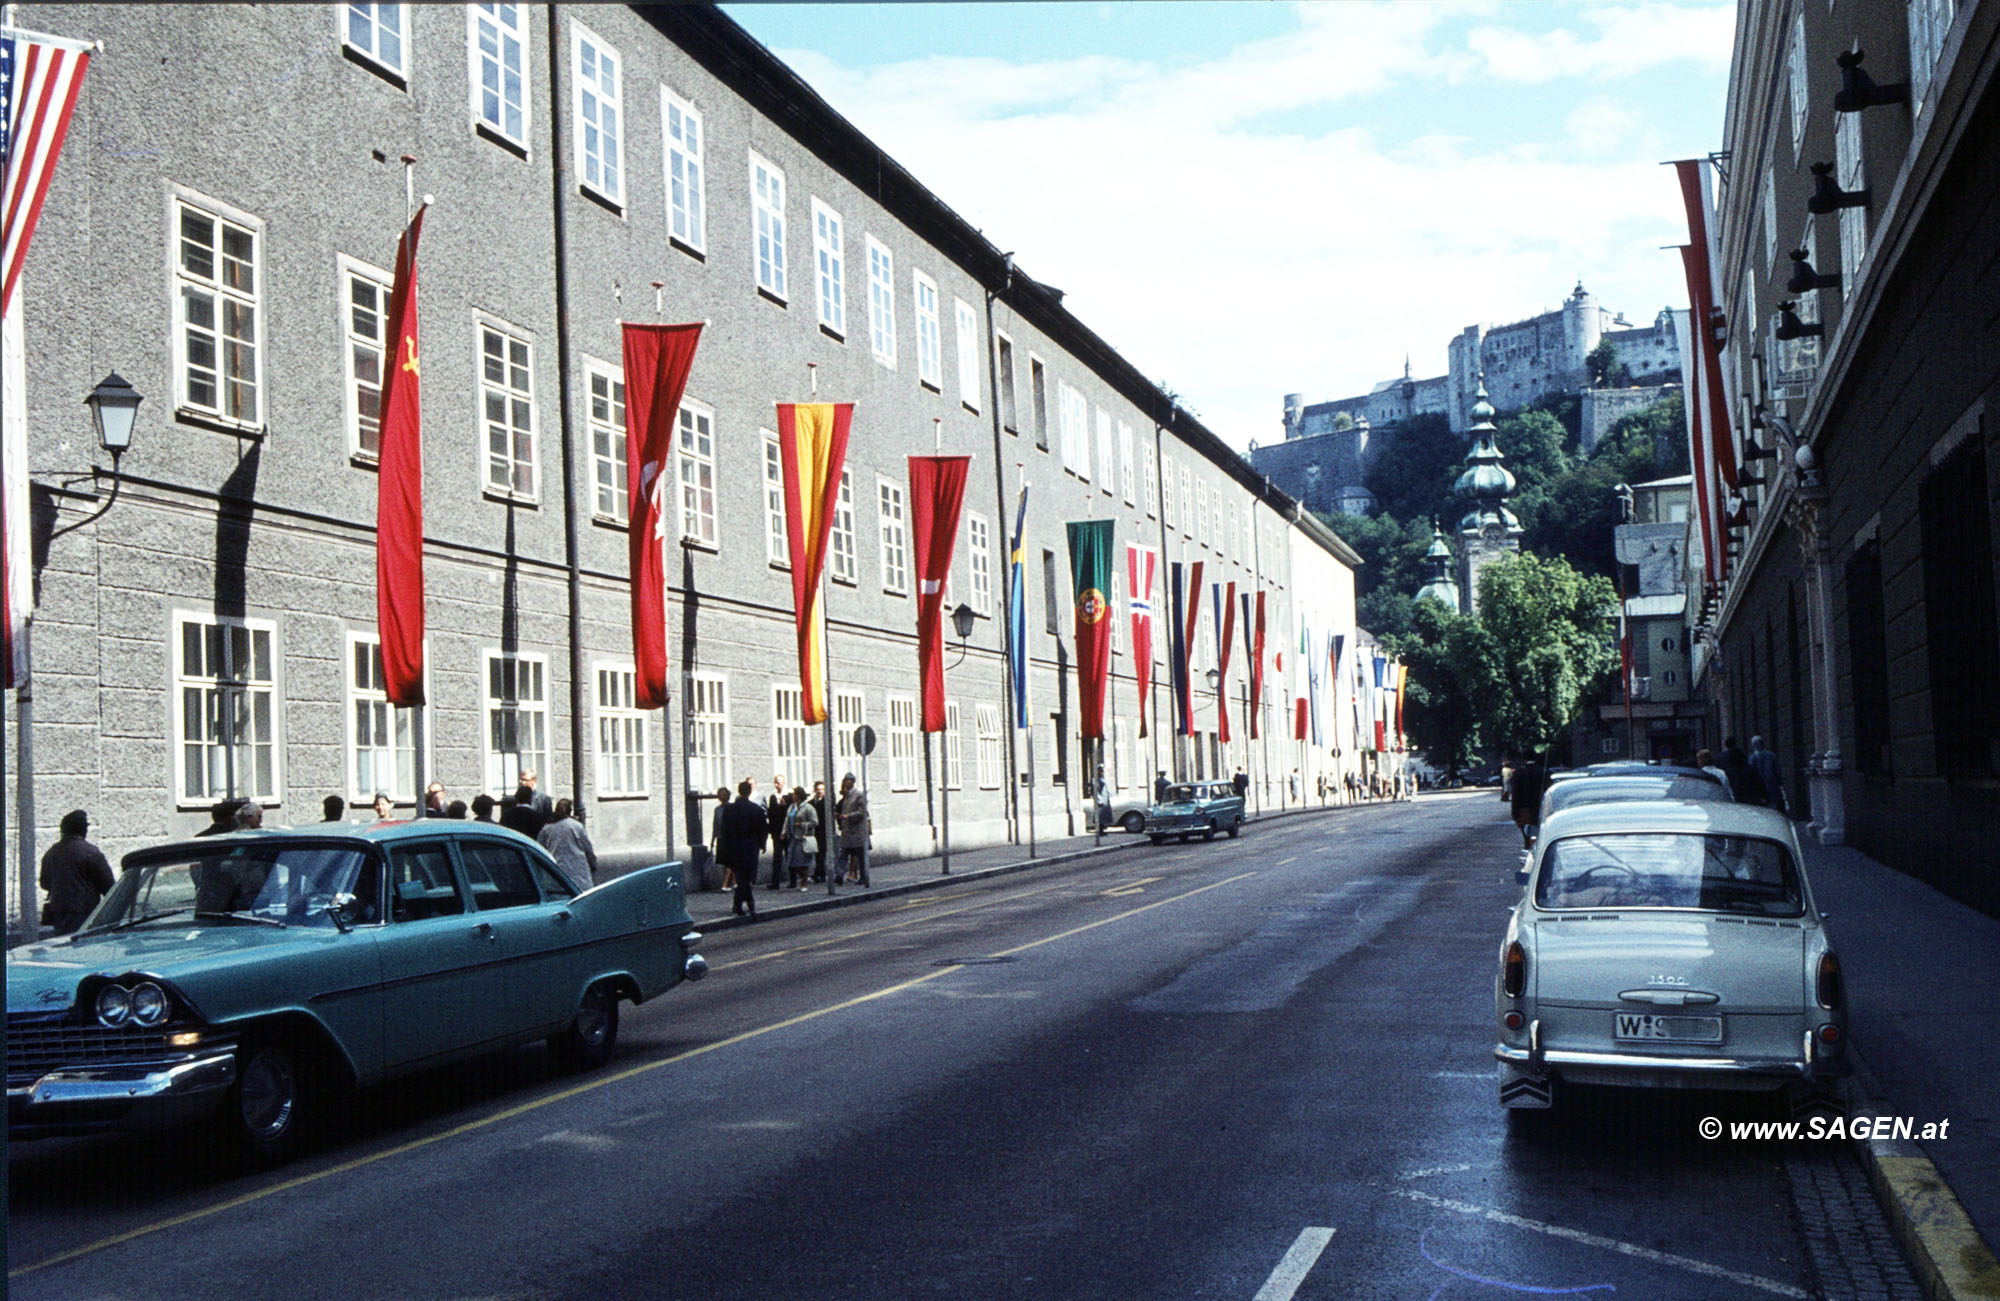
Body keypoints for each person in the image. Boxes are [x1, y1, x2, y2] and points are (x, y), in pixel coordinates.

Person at [40, 810, 113, 935]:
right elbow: (109, 887)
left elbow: (44, 883)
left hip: (59, 914)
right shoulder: (91, 852)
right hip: (85, 913)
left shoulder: (51, 853)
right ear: (83, 830)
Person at [719, 779, 768, 919]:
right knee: (745, 878)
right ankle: (744, 904)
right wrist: (762, 845)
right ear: (749, 792)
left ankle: (740, 904)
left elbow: (724, 830)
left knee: (741, 877)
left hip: (734, 848)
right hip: (750, 848)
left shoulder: (729, 809)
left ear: (739, 791)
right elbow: (763, 829)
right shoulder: (756, 809)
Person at [538, 798, 598, 894]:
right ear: (570, 811)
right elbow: (587, 848)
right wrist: (593, 864)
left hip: (556, 869)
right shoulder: (577, 826)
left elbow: (539, 848)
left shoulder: (547, 828)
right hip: (577, 869)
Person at [835, 772, 870, 886]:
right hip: (847, 832)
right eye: (845, 780)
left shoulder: (859, 795)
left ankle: (864, 877)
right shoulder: (847, 796)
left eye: (849, 780)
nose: (847, 782)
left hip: (857, 832)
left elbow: (862, 812)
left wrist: (849, 816)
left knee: (861, 856)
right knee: (843, 855)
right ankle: (839, 876)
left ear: (853, 782)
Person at [1509, 751, 1547, 846]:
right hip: (1541, 808)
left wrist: (1514, 813)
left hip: (1524, 810)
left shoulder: (1518, 773)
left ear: (1524, 759)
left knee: (1527, 837)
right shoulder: (1544, 771)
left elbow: (1515, 794)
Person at [785, 786, 817, 889]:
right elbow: (786, 820)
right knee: (792, 861)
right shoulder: (792, 807)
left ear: (799, 796)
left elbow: (815, 822)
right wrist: (783, 832)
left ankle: (804, 882)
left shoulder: (808, 807)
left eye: (794, 794)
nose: (793, 796)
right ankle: (800, 879)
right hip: (792, 836)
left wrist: (802, 825)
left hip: (803, 837)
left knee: (803, 861)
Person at [1749, 735, 1789, 815]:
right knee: (1772, 806)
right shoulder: (1771, 755)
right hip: (1770, 785)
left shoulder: (1752, 758)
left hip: (1765, 786)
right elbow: (1777, 771)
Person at [1720, 737, 1766, 806]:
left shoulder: (1728, 773)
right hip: (1752, 800)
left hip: (1737, 802)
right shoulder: (1751, 769)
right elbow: (1760, 783)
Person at [505, 773, 548, 838]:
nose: (523, 782)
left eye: (526, 780)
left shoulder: (506, 815)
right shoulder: (536, 816)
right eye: (522, 780)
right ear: (530, 799)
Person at [766, 774, 790, 890]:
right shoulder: (773, 797)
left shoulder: (788, 796)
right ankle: (775, 882)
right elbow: (771, 814)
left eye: (779, 782)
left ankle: (793, 880)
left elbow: (789, 813)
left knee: (789, 855)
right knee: (777, 857)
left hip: (787, 831)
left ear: (783, 783)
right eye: (775, 782)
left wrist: (784, 806)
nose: (777, 785)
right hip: (776, 832)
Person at [710, 786, 734, 891]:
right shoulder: (717, 809)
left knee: (729, 861)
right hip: (721, 838)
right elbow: (715, 824)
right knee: (725, 861)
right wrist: (713, 838)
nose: (722, 797)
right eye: (720, 795)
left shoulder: (732, 808)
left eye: (724, 795)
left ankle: (725, 883)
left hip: (730, 839)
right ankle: (733, 882)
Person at [811, 780, 830, 883]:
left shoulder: (827, 803)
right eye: (818, 789)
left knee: (821, 855)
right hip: (814, 832)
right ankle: (819, 873)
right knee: (817, 854)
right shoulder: (811, 802)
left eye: (822, 789)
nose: (820, 791)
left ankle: (820, 874)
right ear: (814, 790)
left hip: (823, 832)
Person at [1094, 765, 1111, 832]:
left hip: (1105, 800)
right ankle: (1100, 831)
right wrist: (1099, 800)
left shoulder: (1102, 779)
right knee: (1100, 816)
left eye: (1102, 771)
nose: (1102, 773)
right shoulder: (1096, 780)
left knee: (1104, 817)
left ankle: (1102, 829)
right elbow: (1097, 791)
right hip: (1101, 801)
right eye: (1101, 771)